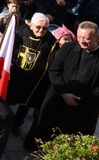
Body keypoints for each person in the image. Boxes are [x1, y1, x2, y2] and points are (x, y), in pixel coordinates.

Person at [25, 21, 99, 150]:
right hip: (58, 97)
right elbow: (54, 71)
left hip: (83, 105)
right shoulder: (68, 48)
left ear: (97, 38)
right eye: (80, 37)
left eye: (87, 38)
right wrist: (64, 93)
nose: (82, 41)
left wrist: (79, 99)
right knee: (46, 129)